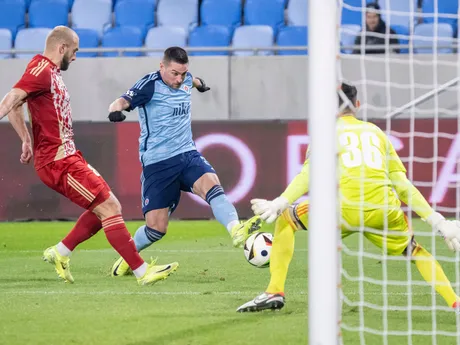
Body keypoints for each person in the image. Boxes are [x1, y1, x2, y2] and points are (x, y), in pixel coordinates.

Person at [236, 82, 460, 312]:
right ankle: (455, 301)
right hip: (383, 211)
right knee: (415, 251)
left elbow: (307, 175)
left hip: (341, 211)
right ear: (358, 105)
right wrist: (438, 221)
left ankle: (274, 291)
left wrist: (280, 201)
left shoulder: (326, 133)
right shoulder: (376, 133)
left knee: (286, 217)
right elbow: (403, 186)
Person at [0, 26, 177, 286]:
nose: (74, 57)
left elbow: (18, 102)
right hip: (57, 162)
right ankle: (141, 272)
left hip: (69, 156)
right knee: (109, 208)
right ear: (61, 48)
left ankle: (60, 252)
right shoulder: (41, 70)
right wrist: (25, 137)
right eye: (74, 51)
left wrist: (26, 139)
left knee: (106, 205)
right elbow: (12, 97)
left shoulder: (49, 72)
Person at [107, 46, 261, 277]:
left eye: (183, 73)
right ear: (162, 66)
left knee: (212, 186)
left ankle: (236, 229)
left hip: (187, 153)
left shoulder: (187, 78)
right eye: (174, 74)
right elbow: (120, 101)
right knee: (156, 229)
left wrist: (200, 84)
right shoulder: (149, 85)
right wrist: (115, 112)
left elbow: (193, 80)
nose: (179, 79)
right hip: (158, 164)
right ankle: (128, 257)